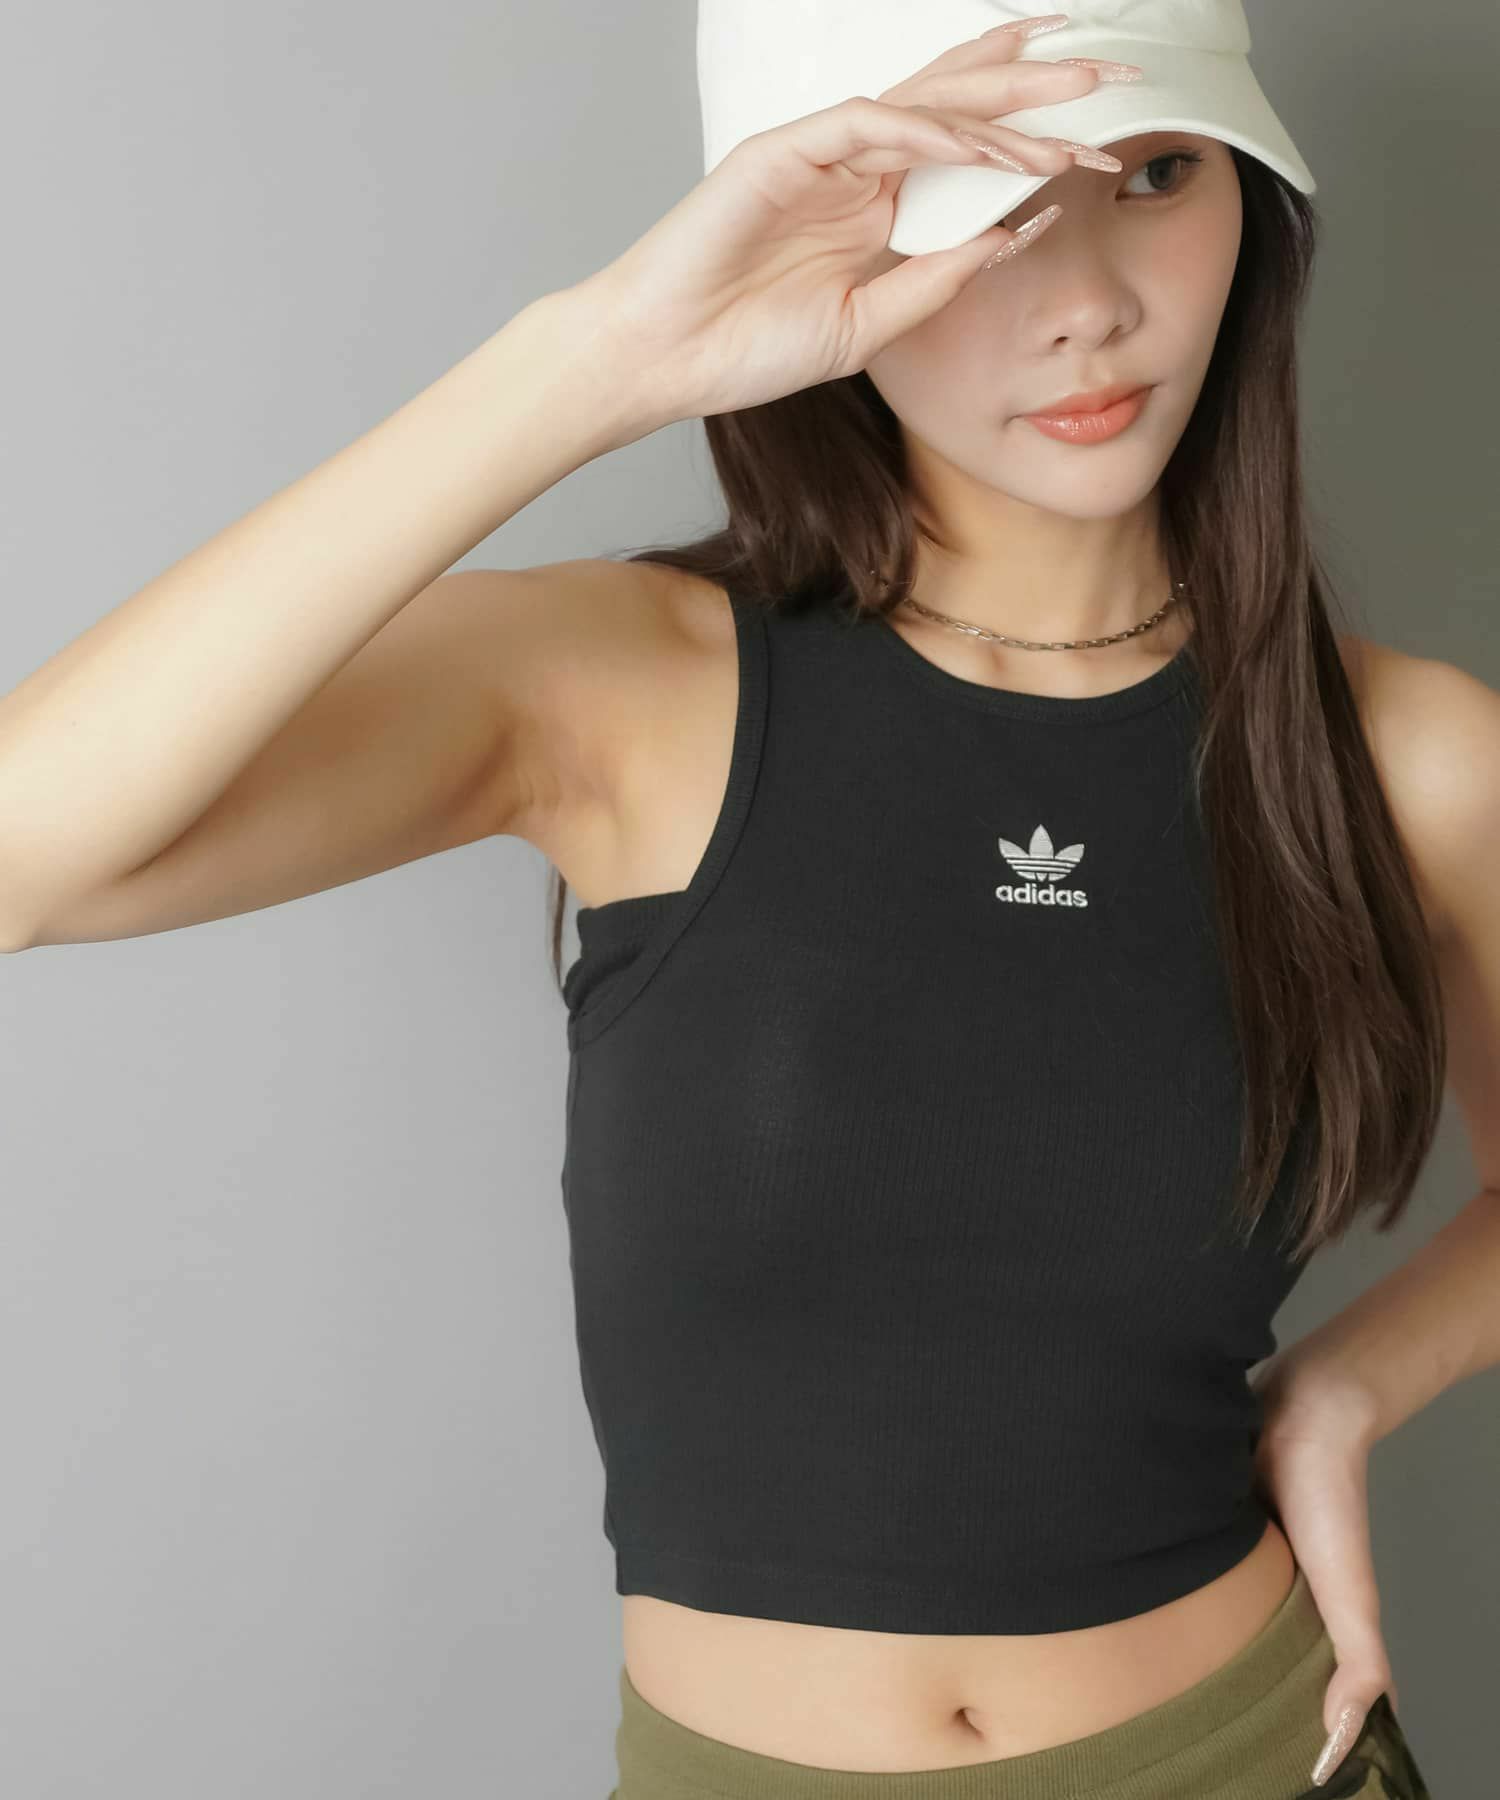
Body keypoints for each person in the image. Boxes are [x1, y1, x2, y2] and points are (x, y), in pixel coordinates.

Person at [1, 5, 1491, 1797]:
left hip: (1255, 1746)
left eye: (1158, 172)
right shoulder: (624, 687)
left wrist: (1342, 1395)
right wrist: (598, 359)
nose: (1089, 301)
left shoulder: (1408, 758)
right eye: (980, 206)